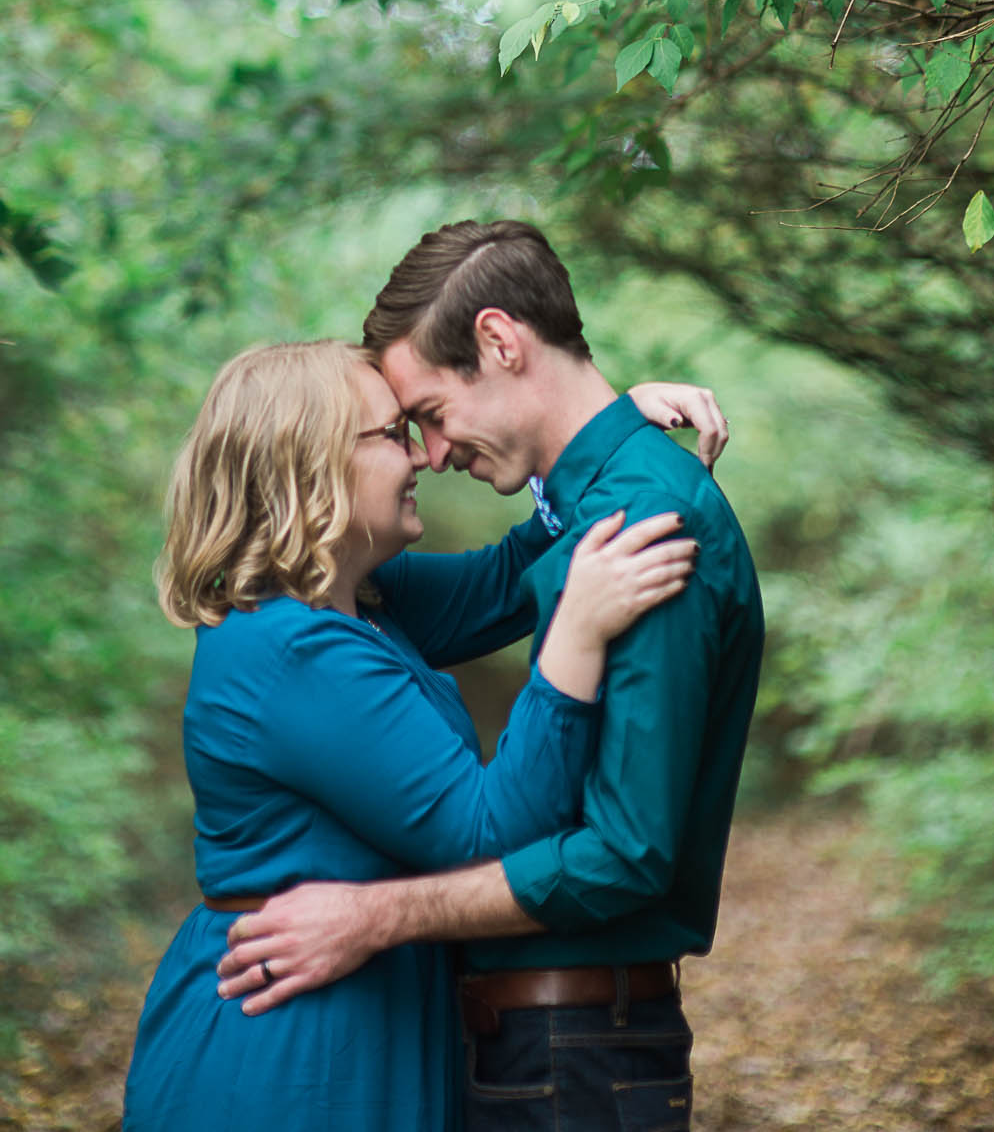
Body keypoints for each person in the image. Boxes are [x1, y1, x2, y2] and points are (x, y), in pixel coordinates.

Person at [216, 222, 765, 1131]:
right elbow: (486, 577)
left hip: (576, 1051)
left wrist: (374, 918)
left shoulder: (644, 522)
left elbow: (626, 852)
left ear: (501, 342)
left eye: (427, 412)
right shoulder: (597, 506)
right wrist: (614, 422)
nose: (429, 452)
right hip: (541, 1047)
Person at [121, 335, 709, 1132]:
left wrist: (597, 431)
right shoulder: (291, 648)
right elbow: (486, 829)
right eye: (395, 434)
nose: (424, 457)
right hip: (294, 1050)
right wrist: (576, 635)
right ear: (313, 465)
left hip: (363, 1017)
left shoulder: (360, 601)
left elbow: (505, 581)